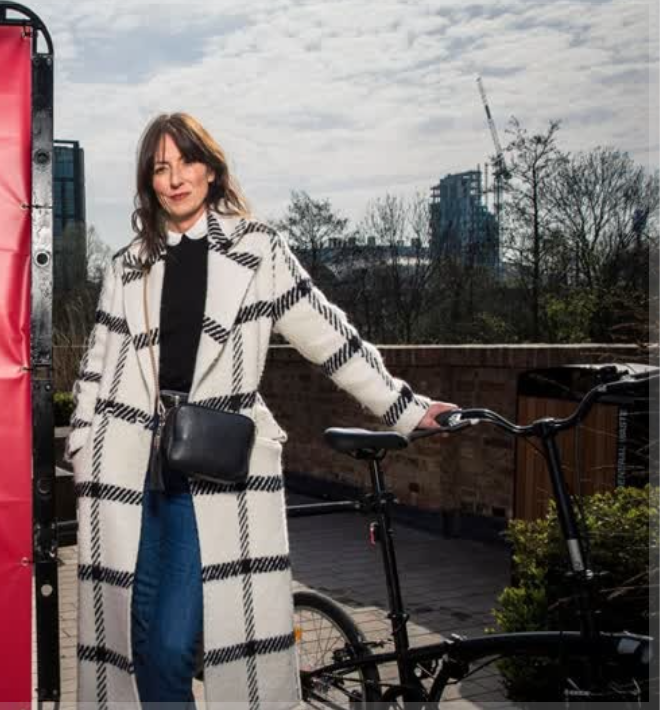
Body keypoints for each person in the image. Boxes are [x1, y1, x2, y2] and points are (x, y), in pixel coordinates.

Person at [64, 112, 458, 707]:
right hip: (128, 470)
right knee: (134, 640)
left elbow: (328, 336)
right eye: (161, 168)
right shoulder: (128, 264)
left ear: (211, 169)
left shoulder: (257, 250)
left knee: (170, 646)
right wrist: (82, 443)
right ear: (148, 181)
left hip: (209, 469)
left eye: (187, 162)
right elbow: (97, 362)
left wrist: (405, 408)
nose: (176, 178)